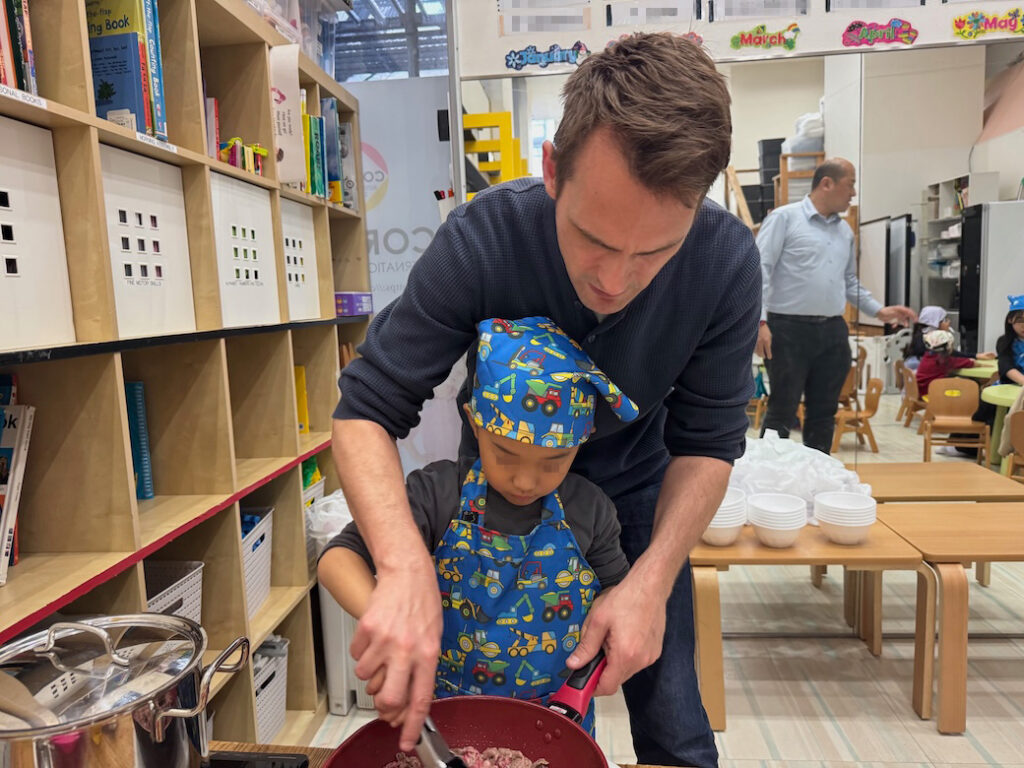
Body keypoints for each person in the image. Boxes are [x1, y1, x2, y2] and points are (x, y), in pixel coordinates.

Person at [330, 32, 758, 768]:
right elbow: (367, 408)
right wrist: (401, 566)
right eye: (594, 239)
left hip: (641, 498)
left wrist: (652, 578)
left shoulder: (723, 262)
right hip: (492, 493)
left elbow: (708, 443)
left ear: (701, 204)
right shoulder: (485, 237)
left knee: (675, 724)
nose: (615, 282)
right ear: (552, 170)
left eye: (654, 252)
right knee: (469, 695)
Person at [319, 317, 638, 734]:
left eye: (553, 461)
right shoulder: (437, 495)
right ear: (474, 423)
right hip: (442, 716)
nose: (525, 481)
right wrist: (391, 623)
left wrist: (613, 626)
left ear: (583, 439)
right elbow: (337, 559)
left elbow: (616, 595)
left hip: (555, 721)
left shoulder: (589, 511)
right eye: (505, 454)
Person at [755, 158, 916, 454]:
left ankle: (818, 472)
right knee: (782, 409)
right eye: (850, 184)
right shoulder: (784, 219)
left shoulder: (844, 232)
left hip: (832, 331)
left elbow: (848, 281)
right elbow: (759, 271)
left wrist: (879, 311)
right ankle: (768, 476)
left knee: (824, 412)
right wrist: (759, 322)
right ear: (826, 183)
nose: (853, 193)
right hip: (786, 329)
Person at [916, 329, 975, 396]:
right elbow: (971, 363)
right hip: (932, 395)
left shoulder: (927, 356)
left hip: (921, 392)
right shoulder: (945, 361)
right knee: (968, 387)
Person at [904, 306, 951, 371]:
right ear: (935, 323)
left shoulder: (920, 337)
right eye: (944, 320)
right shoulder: (929, 343)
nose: (948, 322)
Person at [995, 295, 1024, 387]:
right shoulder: (1004, 342)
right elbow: (1006, 366)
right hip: (1010, 387)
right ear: (1010, 320)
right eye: (1020, 320)